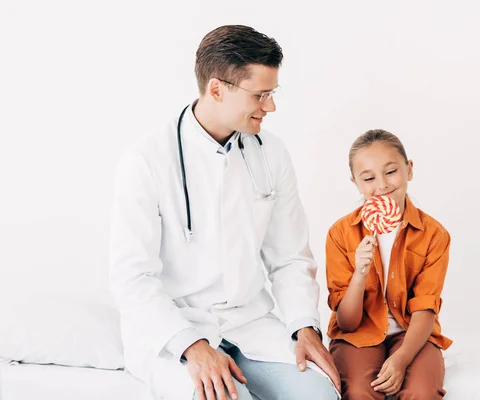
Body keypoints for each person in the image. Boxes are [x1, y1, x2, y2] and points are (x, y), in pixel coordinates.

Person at [109, 25, 340, 400]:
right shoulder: (146, 161)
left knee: (320, 394)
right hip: (176, 332)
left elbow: (290, 258)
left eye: (272, 93)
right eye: (260, 95)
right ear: (217, 89)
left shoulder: (272, 152)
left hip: (250, 324)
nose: (271, 106)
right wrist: (193, 346)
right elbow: (132, 279)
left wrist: (303, 327)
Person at [325, 129, 452, 399]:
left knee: (422, 392)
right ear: (356, 183)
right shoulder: (340, 233)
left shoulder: (434, 234)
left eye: (391, 171)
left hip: (412, 333)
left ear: (409, 170)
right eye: (369, 178)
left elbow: (426, 309)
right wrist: (360, 274)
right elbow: (347, 323)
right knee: (359, 392)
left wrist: (401, 359)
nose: (381, 185)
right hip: (358, 335)